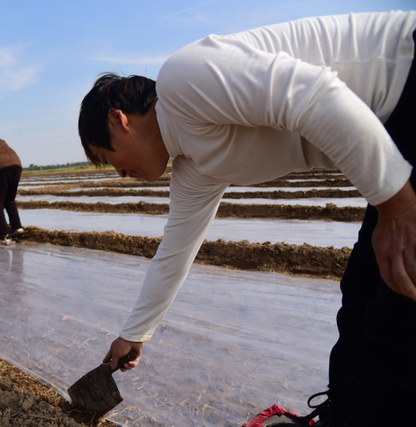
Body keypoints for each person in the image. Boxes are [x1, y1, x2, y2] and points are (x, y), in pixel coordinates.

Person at [77, 11, 416, 427]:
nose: (117, 173)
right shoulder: (192, 166)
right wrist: (135, 332)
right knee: (361, 296)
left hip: (405, 79)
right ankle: (345, 416)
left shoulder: (183, 80)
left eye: (106, 157)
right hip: (389, 135)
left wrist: (398, 207)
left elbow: (319, 96)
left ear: (118, 119)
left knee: (397, 307)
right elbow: (176, 251)